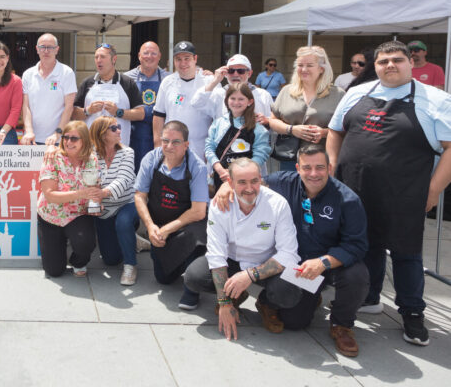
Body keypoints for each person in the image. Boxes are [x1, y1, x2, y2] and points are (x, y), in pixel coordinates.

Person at [327, 41, 451, 347]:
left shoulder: (436, 99)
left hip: (405, 193)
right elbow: (335, 131)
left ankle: (412, 313)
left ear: (411, 63)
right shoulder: (358, 92)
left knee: (406, 253)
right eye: (383, 61)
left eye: (397, 60)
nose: (390, 65)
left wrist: (434, 190)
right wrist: (331, 168)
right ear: (376, 65)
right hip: (354, 189)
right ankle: (368, 297)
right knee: (363, 245)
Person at [213, 144, 369, 357]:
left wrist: (323, 262)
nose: (313, 174)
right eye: (307, 168)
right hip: (295, 265)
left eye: (320, 168)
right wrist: (227, 187)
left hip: (329, 263)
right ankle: (270, 302)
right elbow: (252, 183)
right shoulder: (283, 182)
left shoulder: (348, 200)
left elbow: (357, 245)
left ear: (329, 168)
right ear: (297, 168)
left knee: (358, 275)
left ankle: (342, 325)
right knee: (295, 322)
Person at [183, 158, 301, 340]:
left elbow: (289, 254)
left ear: (261, 179)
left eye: (254, 181)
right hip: (234, 261)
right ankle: (235, 295)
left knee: (291, 293)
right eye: (242, 182)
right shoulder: (219, 205)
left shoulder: (278, 204)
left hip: (267, 263)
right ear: (230, 183)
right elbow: (216, 254)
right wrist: (224, 303)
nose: (249, 188)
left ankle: (266, 303)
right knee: (194, 277)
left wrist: (249, 275)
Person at [134, 121, 208, 307]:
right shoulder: (151, 159)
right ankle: (183, 262)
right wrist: (151, 227)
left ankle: (192, 289)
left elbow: (198, 211)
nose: (169, 146)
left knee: (197, 238)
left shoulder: (197, 167)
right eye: (165, 140)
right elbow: (139, 196)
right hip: (158, 227)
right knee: (163, 279)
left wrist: (168, 229)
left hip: (187, 225)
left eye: (176, 142)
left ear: (186, 145)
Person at [36, 120, 101, 278]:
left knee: (85, 243)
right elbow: (50, 195)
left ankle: (78, 261)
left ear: (84, 141)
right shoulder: (52, 157)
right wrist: (81, 194)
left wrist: (96, 204)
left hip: (77, 214)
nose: (68, 142)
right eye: (65, 137)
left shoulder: (92, 159)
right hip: (51, 216)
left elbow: (95, 188)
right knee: (54, 271)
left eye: (74, 139)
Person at [268, 45, 344, 171]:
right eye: (300, 65)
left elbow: (346, 128)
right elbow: (273, 120)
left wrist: (324, 133)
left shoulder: (338, 94)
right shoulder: (286, 91)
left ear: (321, 69)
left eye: (309, 65)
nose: (304, 69)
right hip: (289, 160)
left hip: (322, 161)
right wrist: (291, 129)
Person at [89, 116, 138, 284]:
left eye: (118, 127)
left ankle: (130, 266)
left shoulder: (127, 152)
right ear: (102, 134)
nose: (119, 130)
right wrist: (95, 203)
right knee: (110, 260)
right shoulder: (91, 155)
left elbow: (124, 180)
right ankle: (133, 240)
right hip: (104, 209)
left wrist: (102, 194)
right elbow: (87, 181)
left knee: (123, 223)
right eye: (114, 128)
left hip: (127, 203)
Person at [152, 41, 214, 162]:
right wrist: (158, 145)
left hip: (201, 148)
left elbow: (216, 118)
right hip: (171, 147)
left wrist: (211, 149)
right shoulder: (167, 82)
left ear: (195, 59)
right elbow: (158, 115)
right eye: (178, 59)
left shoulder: (209, 81)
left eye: (187, 58)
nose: (183, 63)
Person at [73, 43, 144, 147]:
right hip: (91, 147)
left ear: (114, 59)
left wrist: (118, 112)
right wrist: (88, 110)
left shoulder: (127, 83)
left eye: (103, 57)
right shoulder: (87, 83)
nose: (98, 60)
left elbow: (140, 114)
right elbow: (74, 114)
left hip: (119, 147)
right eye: (96, 57)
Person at [205, 83, 270, 189]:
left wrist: (239, 174)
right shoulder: (218, 123)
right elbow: (209, 148)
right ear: (227, 100)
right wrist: (220, 170)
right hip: (221, 177)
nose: (236, 102)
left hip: (247, 180)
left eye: (241, 99)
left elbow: (261, 154)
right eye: (232, 98)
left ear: (250, 101)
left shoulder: (258, 127)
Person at [21, 33, 78, 146]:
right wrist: (29, 131)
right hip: (32, 140)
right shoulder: (28, 74)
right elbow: (26, 106)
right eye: (42, 47)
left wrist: (57, 133)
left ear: (57, 50)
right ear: (37, 49)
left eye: (50, 47)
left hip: (57, 140)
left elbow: (69, 107)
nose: (46, 51)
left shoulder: (67, 73)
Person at [124, 41, 169, 171]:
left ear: (159, 56)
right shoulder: (127, 78)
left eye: (153, 53)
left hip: (161, 134)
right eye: (146, 53)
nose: (150, 56)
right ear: (139, 56)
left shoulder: (168, 79)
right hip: (134, 135)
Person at [191, 54, 273, 123]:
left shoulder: (263, 95)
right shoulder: (218, 94)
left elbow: (273, 122)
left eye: (240, 71)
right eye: (231, 71)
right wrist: (215, 81)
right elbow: (196, 103)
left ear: (250, 73)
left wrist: (267, 121)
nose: (235, 74)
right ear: (225, 73)